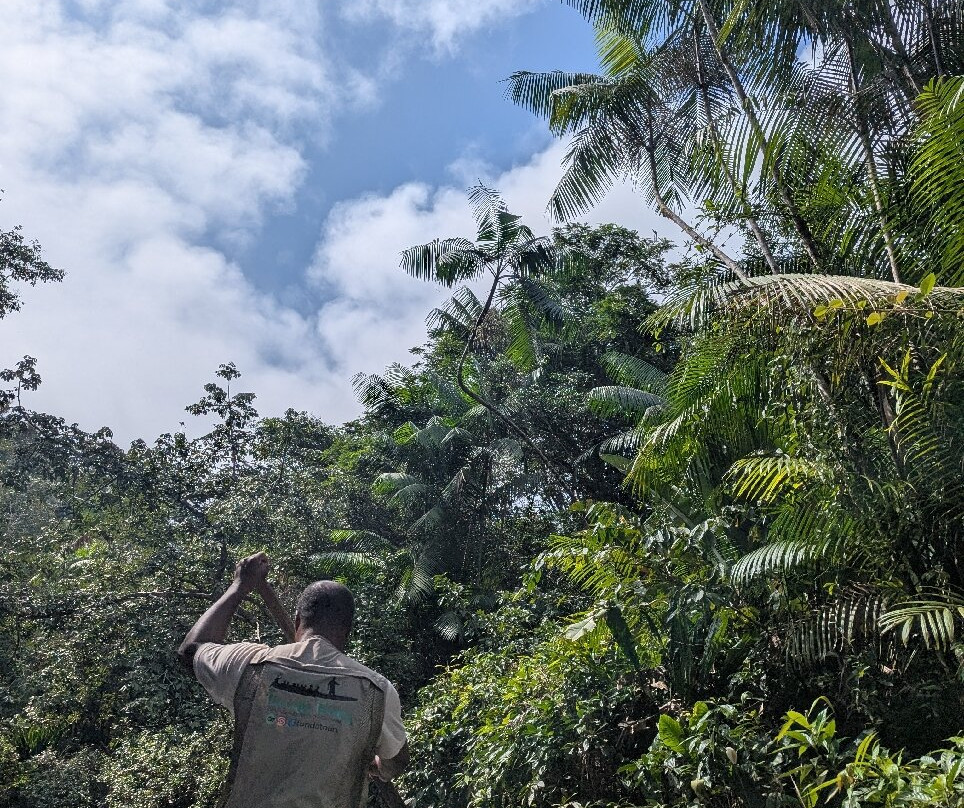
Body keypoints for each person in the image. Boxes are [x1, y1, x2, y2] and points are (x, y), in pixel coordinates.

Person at [178, 553, 409, 808]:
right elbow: (396, 759)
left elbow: (192, 650)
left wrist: (239, 587)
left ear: (298, 620)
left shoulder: (252, 665)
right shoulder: (376, 690)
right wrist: (377, 767)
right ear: (347, 630)